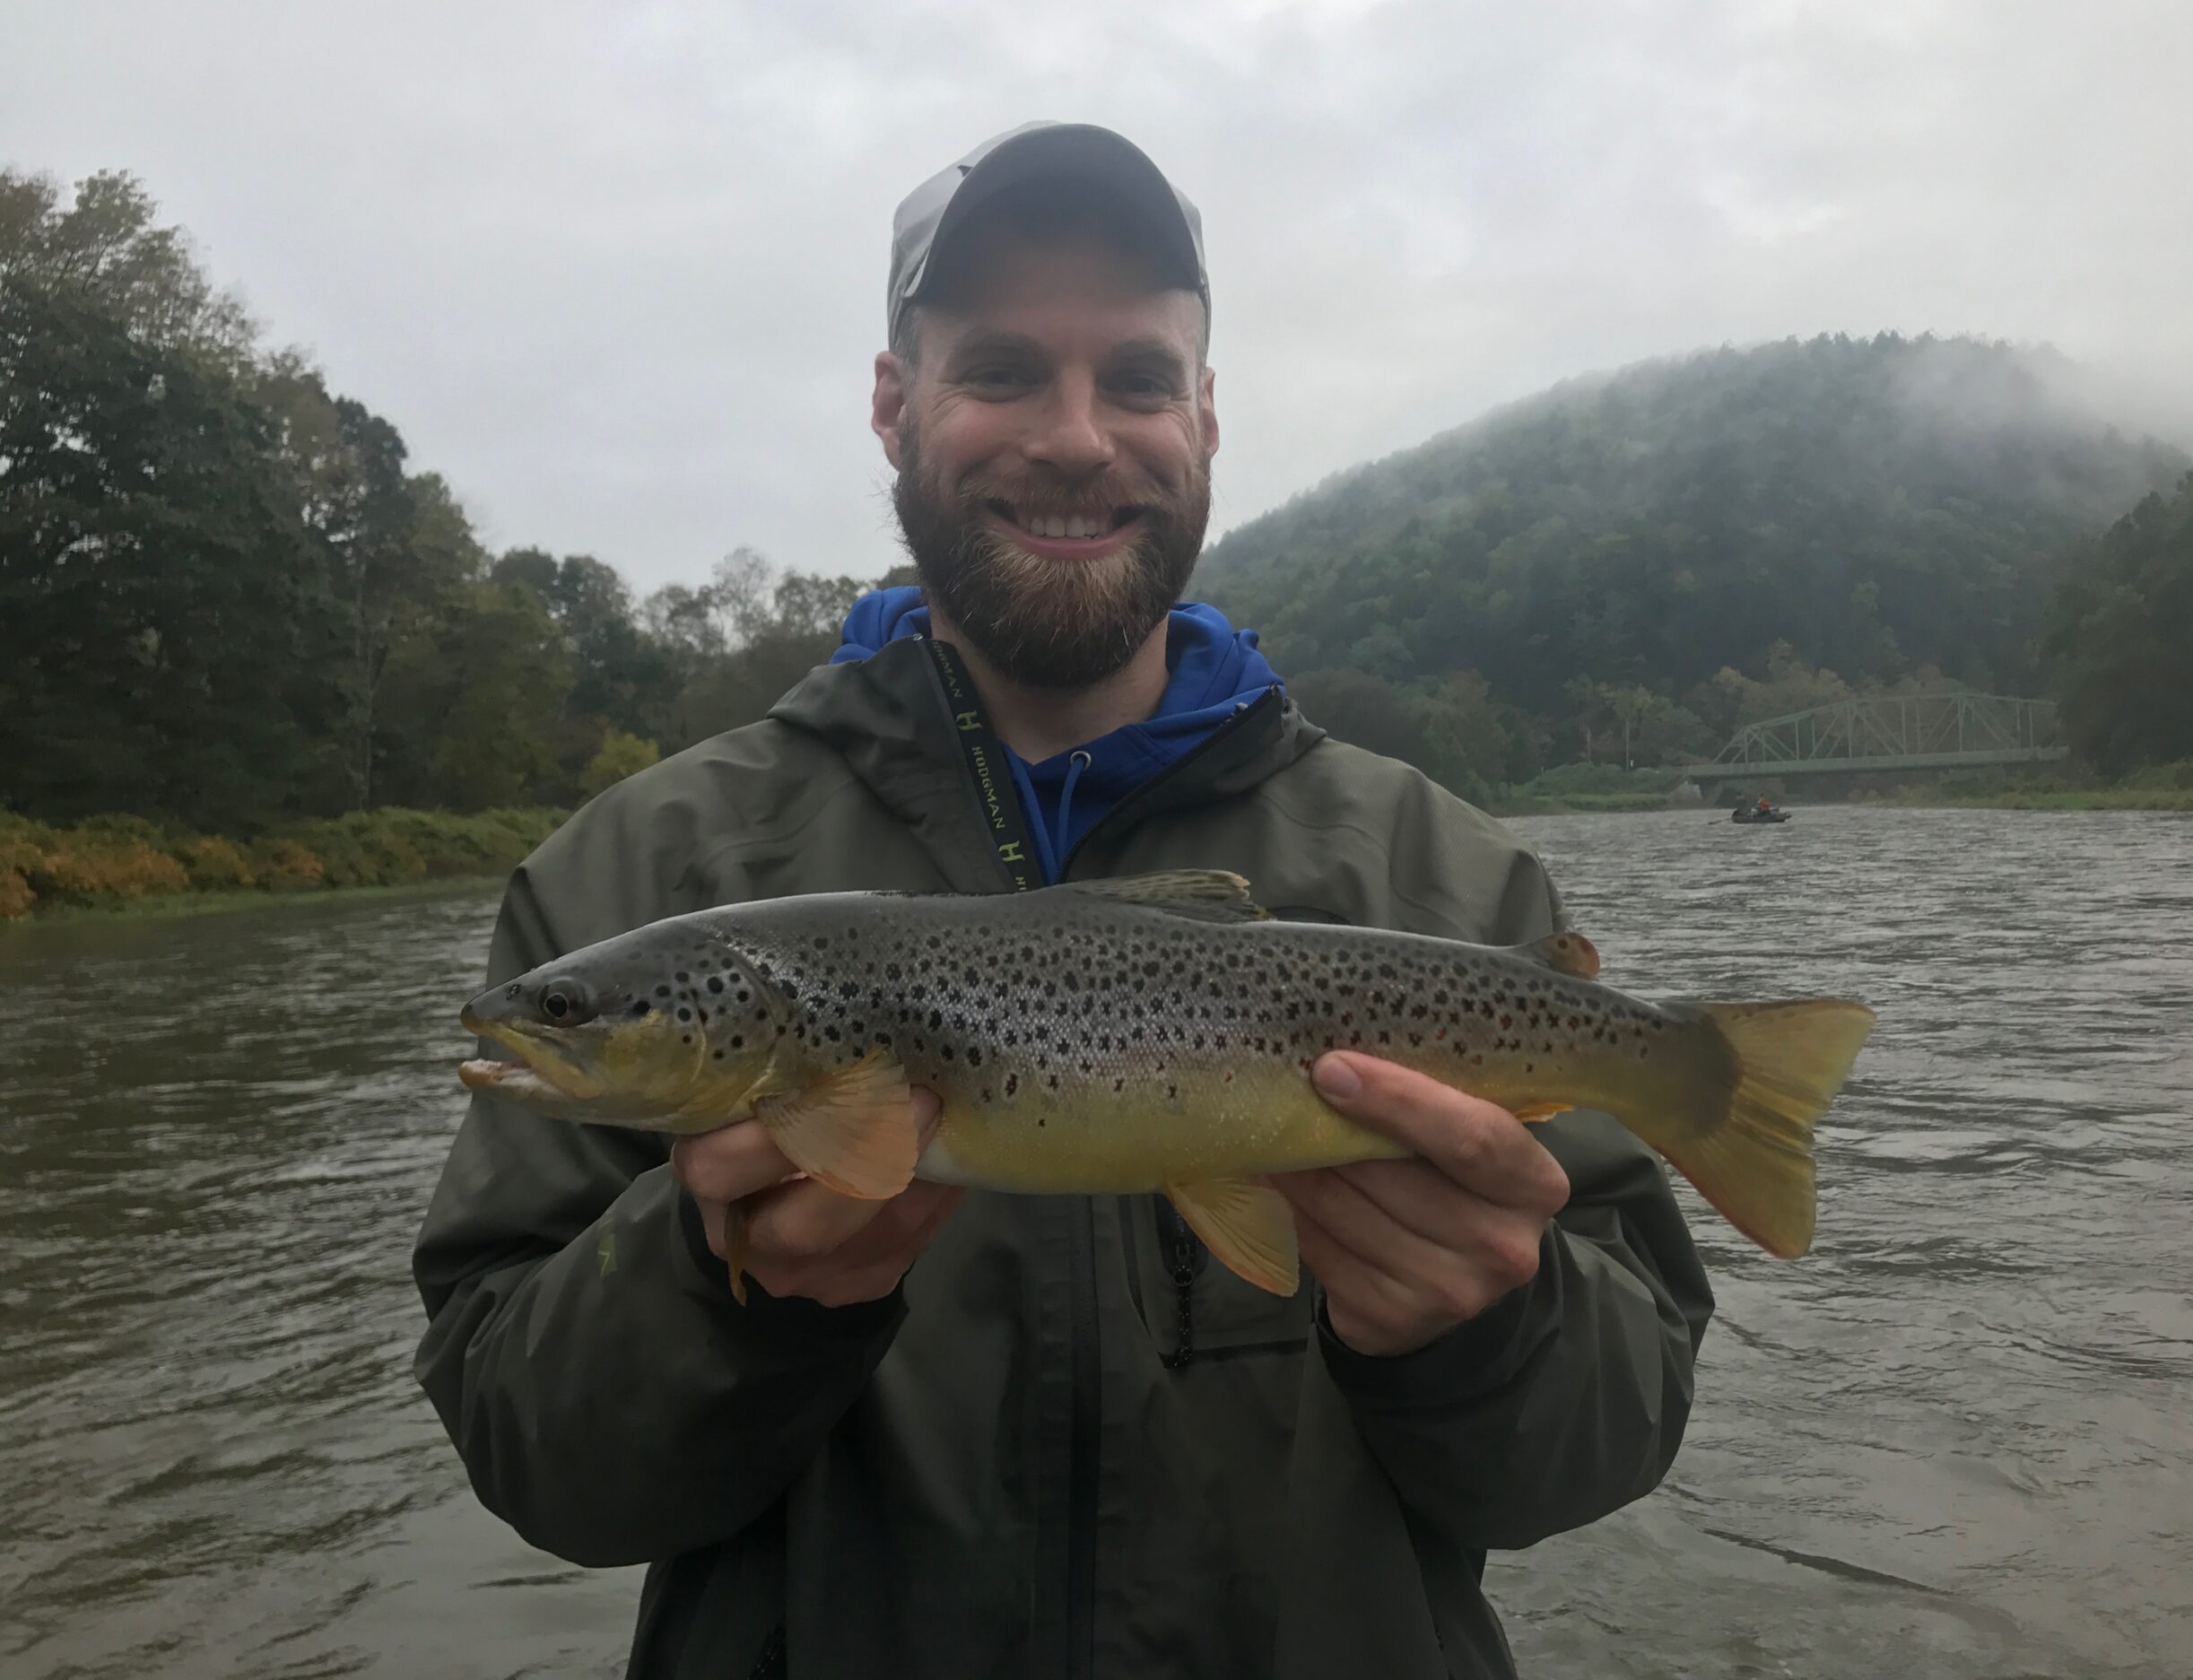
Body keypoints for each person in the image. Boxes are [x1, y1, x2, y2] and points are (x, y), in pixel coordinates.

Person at [413, 121, 1712, 1680]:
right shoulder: (636, 876)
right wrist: (721, 1290)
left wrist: (1484, 1331)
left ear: (1208, 418)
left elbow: (1609, 1448)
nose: (1080, 437)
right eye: (1006, 370)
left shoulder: (1440, 878)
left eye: (1140, 380)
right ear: (897, 405)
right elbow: (533, 1463)